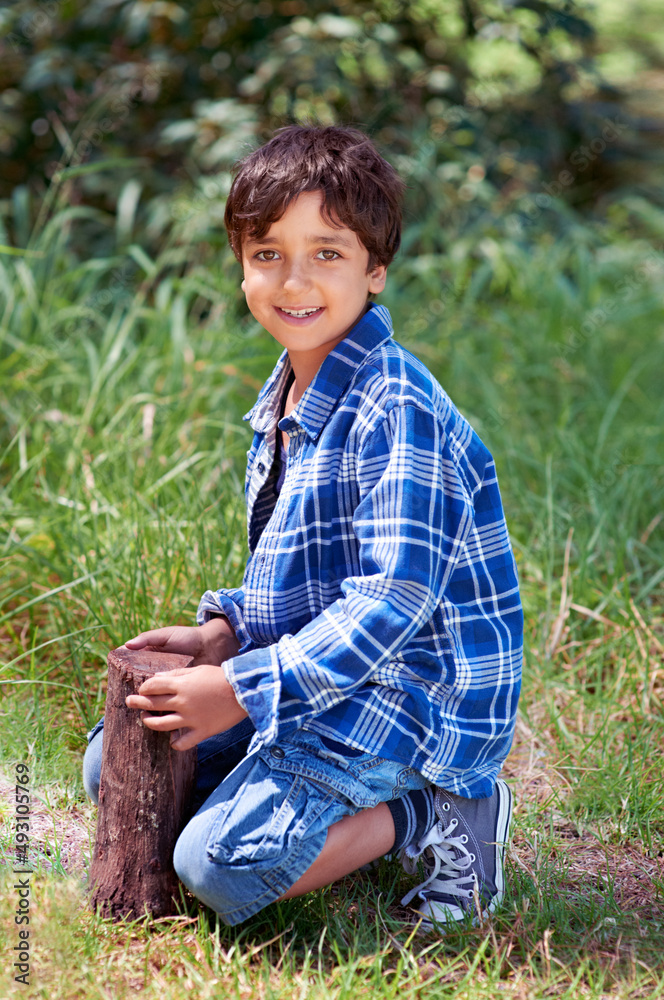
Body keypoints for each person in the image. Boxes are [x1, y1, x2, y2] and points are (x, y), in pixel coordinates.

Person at [84, 124, 523, 930]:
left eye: (327, 253)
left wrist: (244, 690)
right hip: (330, 673)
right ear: (242, 264)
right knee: (116, 762)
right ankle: (300, 808)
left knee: (217, 865)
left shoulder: (398, 407)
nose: (294, 281)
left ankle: (439, 811)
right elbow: (307, 578)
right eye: (267, 254)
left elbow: (390, 603)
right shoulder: (290, 392)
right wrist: (224, 637)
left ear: (375, 268)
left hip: (409, 699)